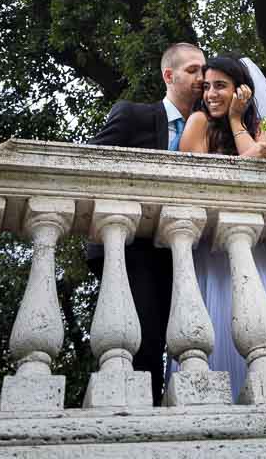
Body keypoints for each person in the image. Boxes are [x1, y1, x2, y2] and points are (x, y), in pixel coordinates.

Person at [178, 54, 266, 400]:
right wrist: (248, 143)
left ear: (243, 91)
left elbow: (257, 177)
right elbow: (204, 181)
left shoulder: (262, 126)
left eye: (220, 86)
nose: (210, 94)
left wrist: (238, 119)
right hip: (217, 250)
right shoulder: (198, 123)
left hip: (262, 248)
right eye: (206, 86)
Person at [87, 41, 206, 405]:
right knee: (142, 341)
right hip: (132, 249)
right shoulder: (133, 115)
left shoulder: (209, 128)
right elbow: (90, 163)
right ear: (169, 76)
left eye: (204, 69)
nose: (202, 77)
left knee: (192, 342)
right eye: (192, 70)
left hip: (187, 253)